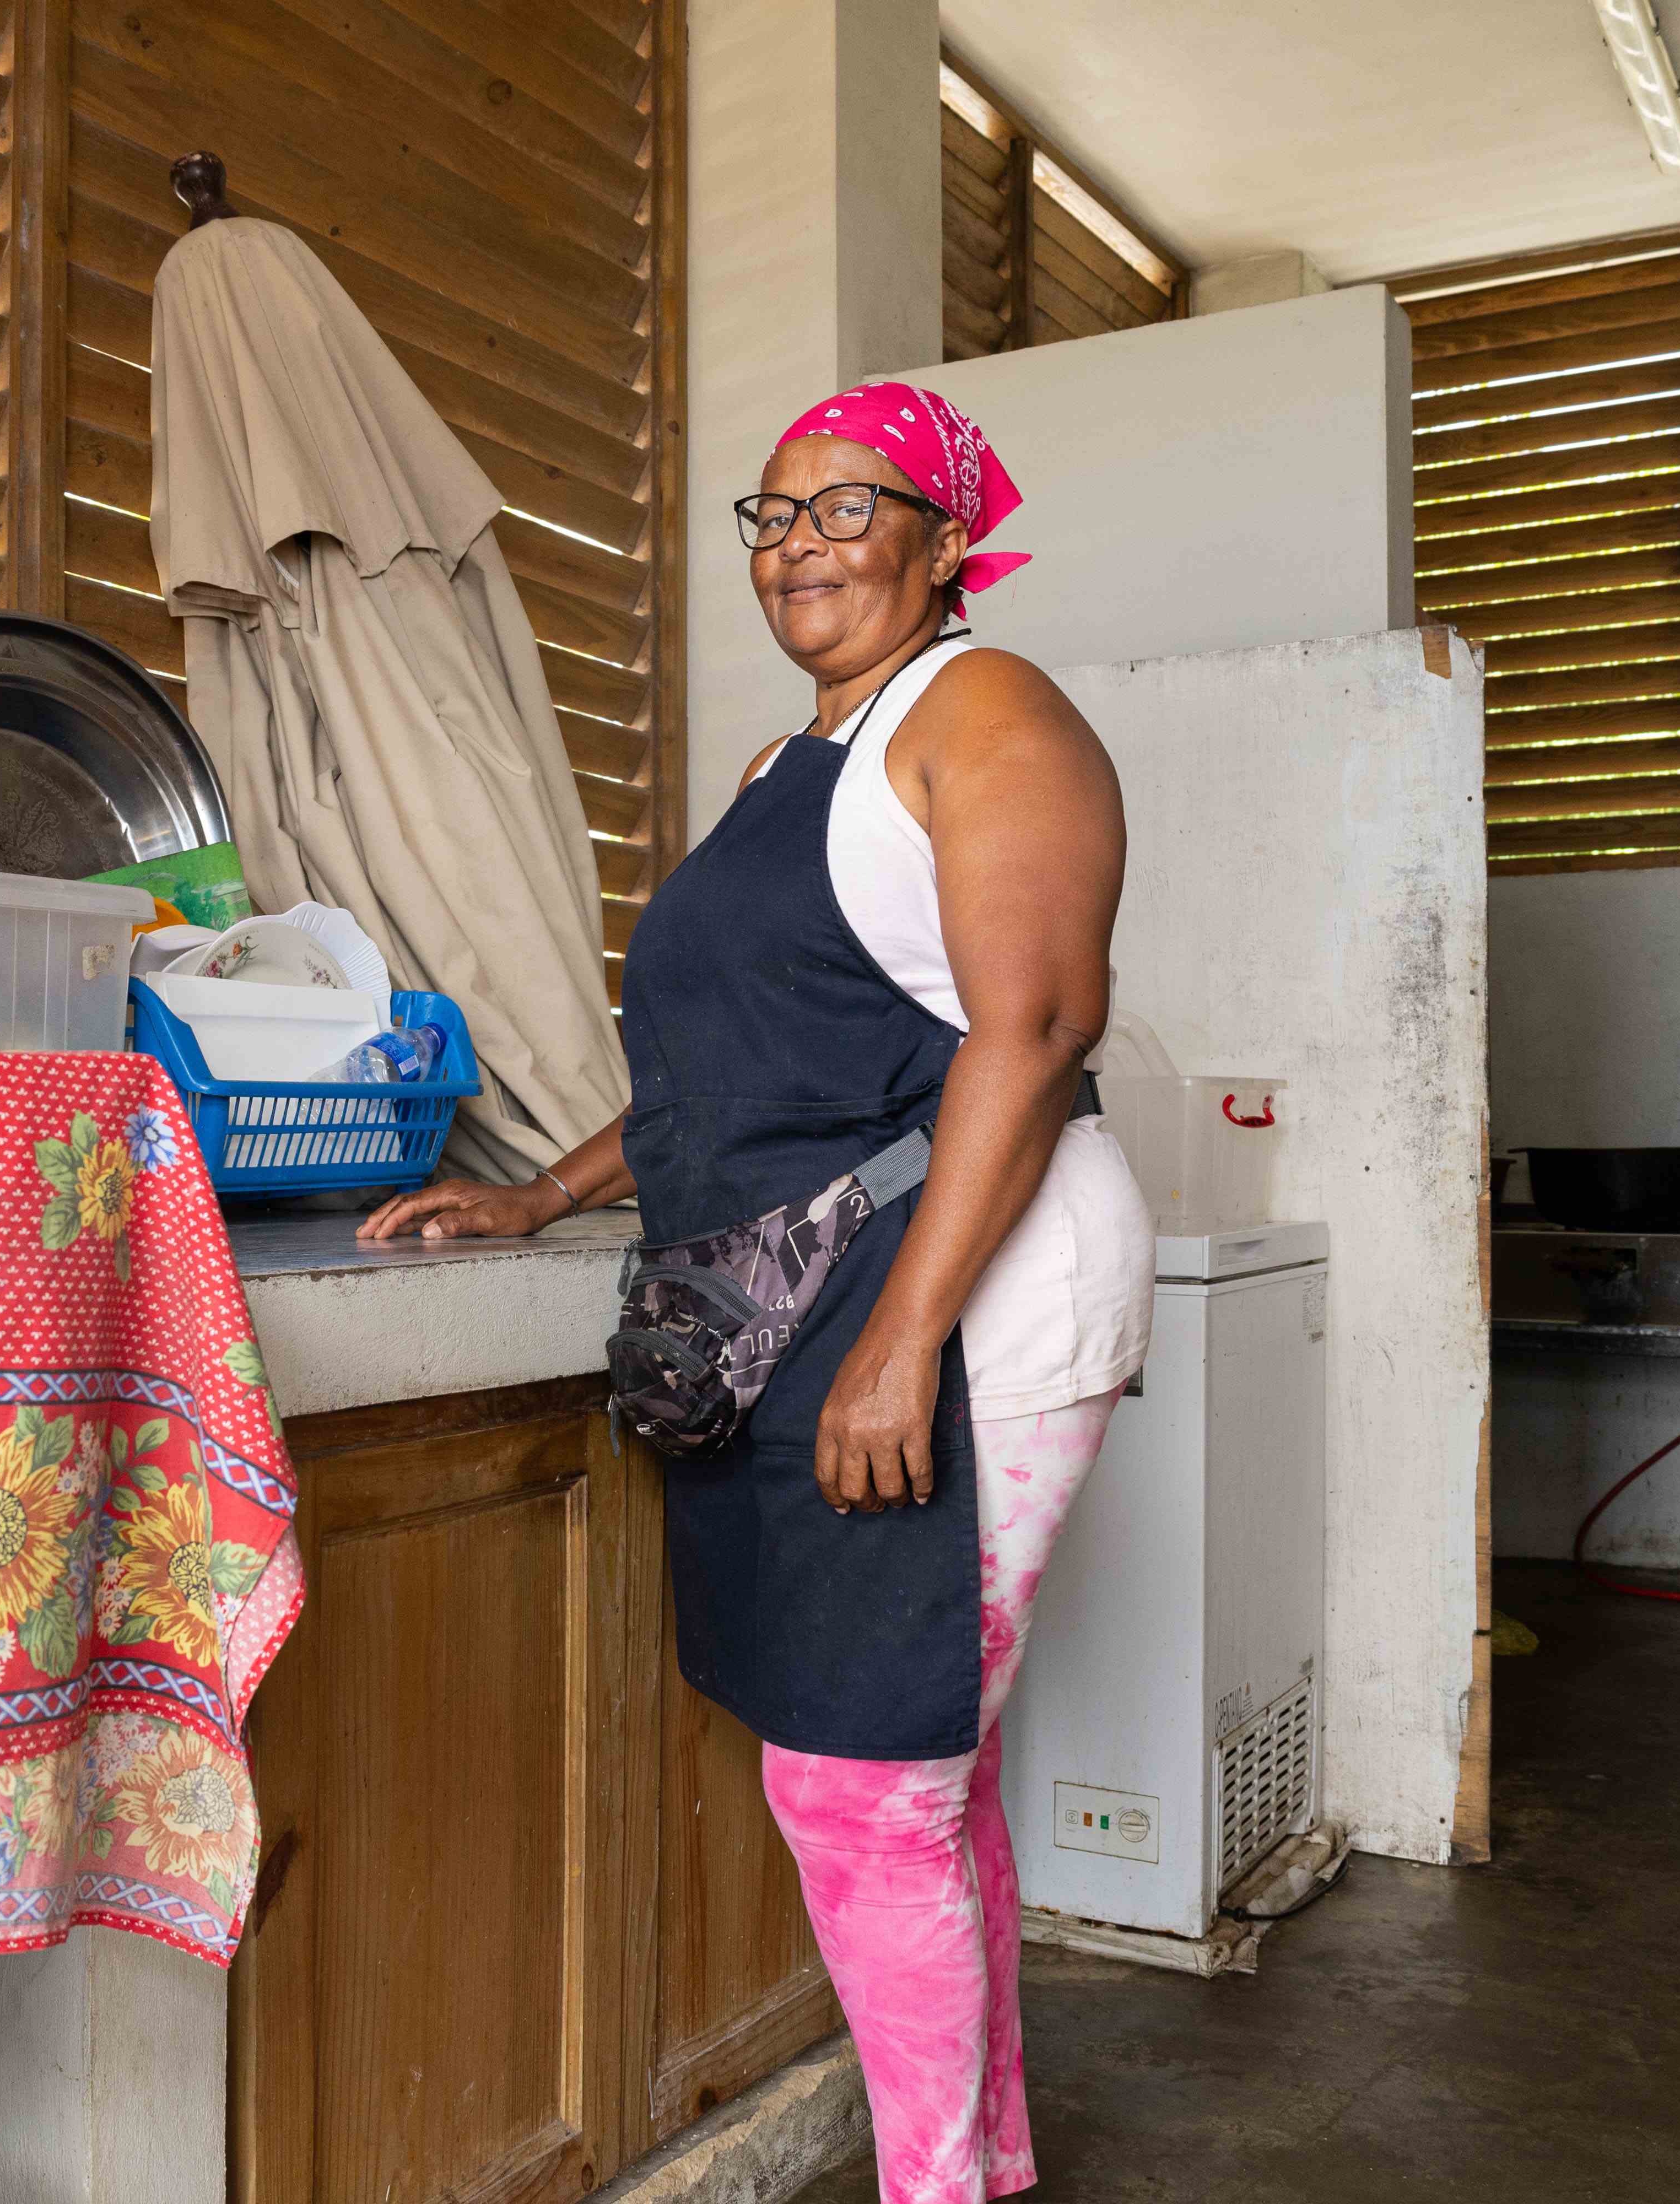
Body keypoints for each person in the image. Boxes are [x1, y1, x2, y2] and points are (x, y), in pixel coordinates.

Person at [360, 381, 1152, 2202]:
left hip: (957, 1298)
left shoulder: (987, 709)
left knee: (867, 1789)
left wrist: (902, 1342)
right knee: (913, 1782)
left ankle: (937, 2189)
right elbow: (727, 1072)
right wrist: (538, 1194)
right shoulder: (788, 767)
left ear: (946, 543)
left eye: (846, 507)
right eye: (773, 514)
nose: (797, 542)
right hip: (809, 1301)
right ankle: (986, 2172)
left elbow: (1031, 1030)